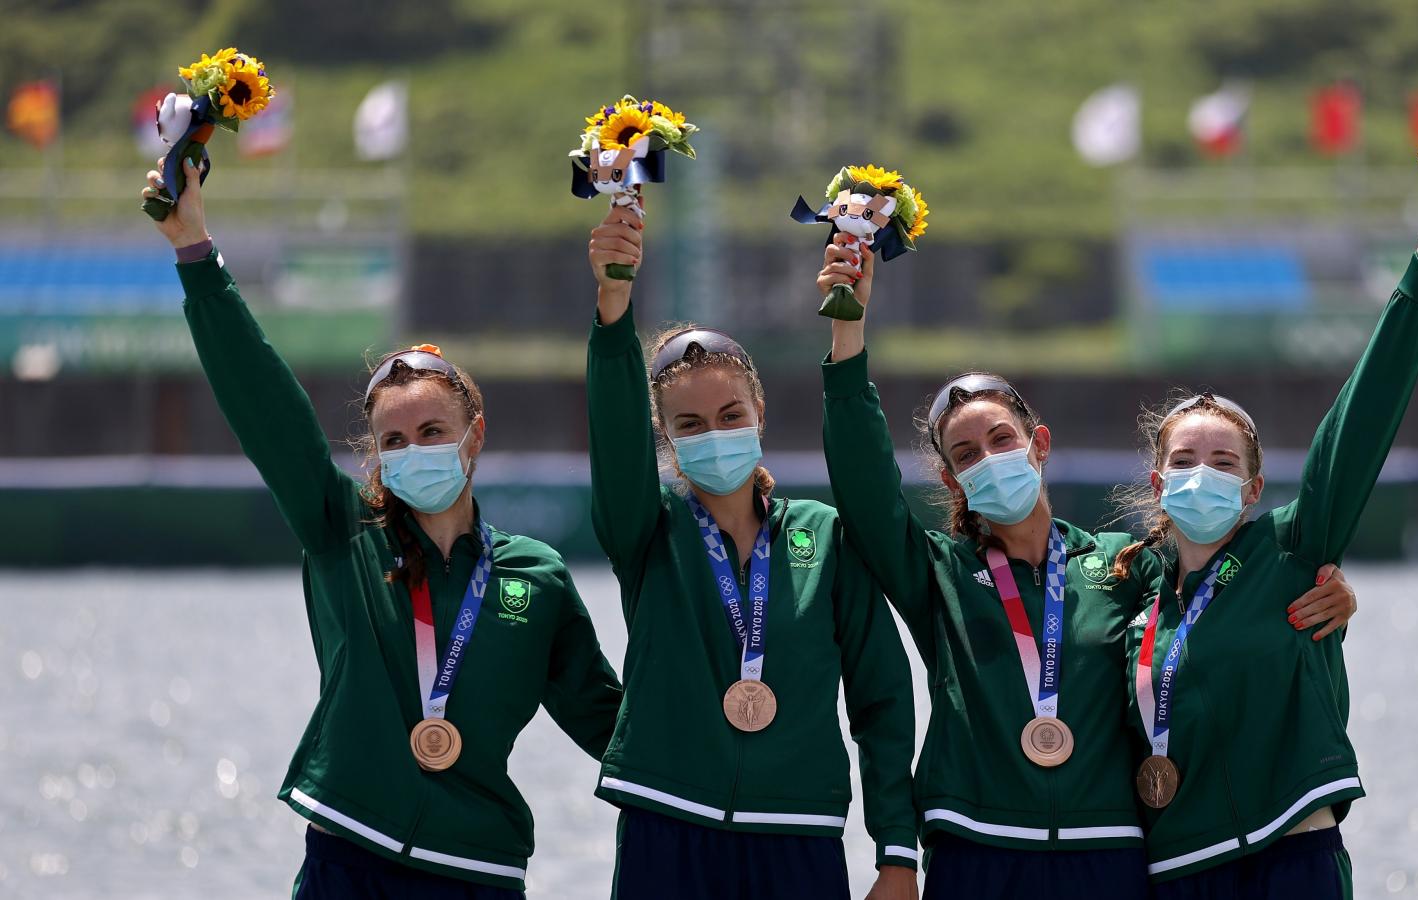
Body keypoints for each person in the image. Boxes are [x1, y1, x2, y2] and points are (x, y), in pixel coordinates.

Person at [814, 236, 1357, 899]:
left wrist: (1330, 593)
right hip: (977, 850)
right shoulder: (937, 574)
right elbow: (865, 487)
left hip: (1109, 856)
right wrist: (848, 332)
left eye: (1001, 440)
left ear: (1038, 445)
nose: (987, 459)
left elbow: (1217, 589)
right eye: (966, 453)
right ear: (953, 480)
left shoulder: (1123, 566)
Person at [142, 159, 622, 898]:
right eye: (392, 441)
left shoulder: (537, 577)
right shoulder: (343, 534)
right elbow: (266, 405)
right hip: (349, 857)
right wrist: (197, 256)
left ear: (475, 436)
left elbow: (615, 728)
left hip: (477, 870)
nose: (413, 450)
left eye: (432, 430)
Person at [1109, 183, 1418, 899]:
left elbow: (1366, 410)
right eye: (1186, 463)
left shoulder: (1293, 550)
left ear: (1255, 490)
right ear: (1158, 486)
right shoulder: (1124, 587)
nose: (1205, 476)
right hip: (1174, 869)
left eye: (1225, 463)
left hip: (1293, 854)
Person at [584, 205, 920, 900]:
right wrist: (614, 304)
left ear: (760, 412)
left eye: (731, 415)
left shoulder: (826, 539)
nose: (715, 433)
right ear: (667, 438)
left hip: (797, 834)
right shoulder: (646, 530)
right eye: (690, 424)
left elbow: (882, 699)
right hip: (666, 828)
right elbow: (615, 436)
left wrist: (896, 851)